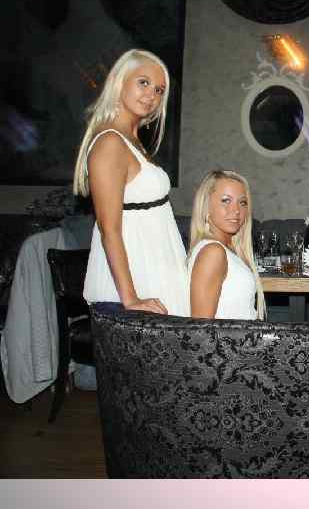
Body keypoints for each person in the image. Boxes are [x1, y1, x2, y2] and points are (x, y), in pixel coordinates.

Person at [74, 49, 188, 315]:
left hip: (154, 273)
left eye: (159, 90)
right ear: (119, 81)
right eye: (143, 82)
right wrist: (131, 299)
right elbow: (109, 228)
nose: (152, 95)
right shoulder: (110, 142)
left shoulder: (131, 141)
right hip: (134, 282)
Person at [187, 170, 265, 320]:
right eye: (226, 200)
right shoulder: (213, 252)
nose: (236, 210)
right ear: (206, 206)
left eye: (242, 202)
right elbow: (201, 327)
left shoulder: (225, 249)